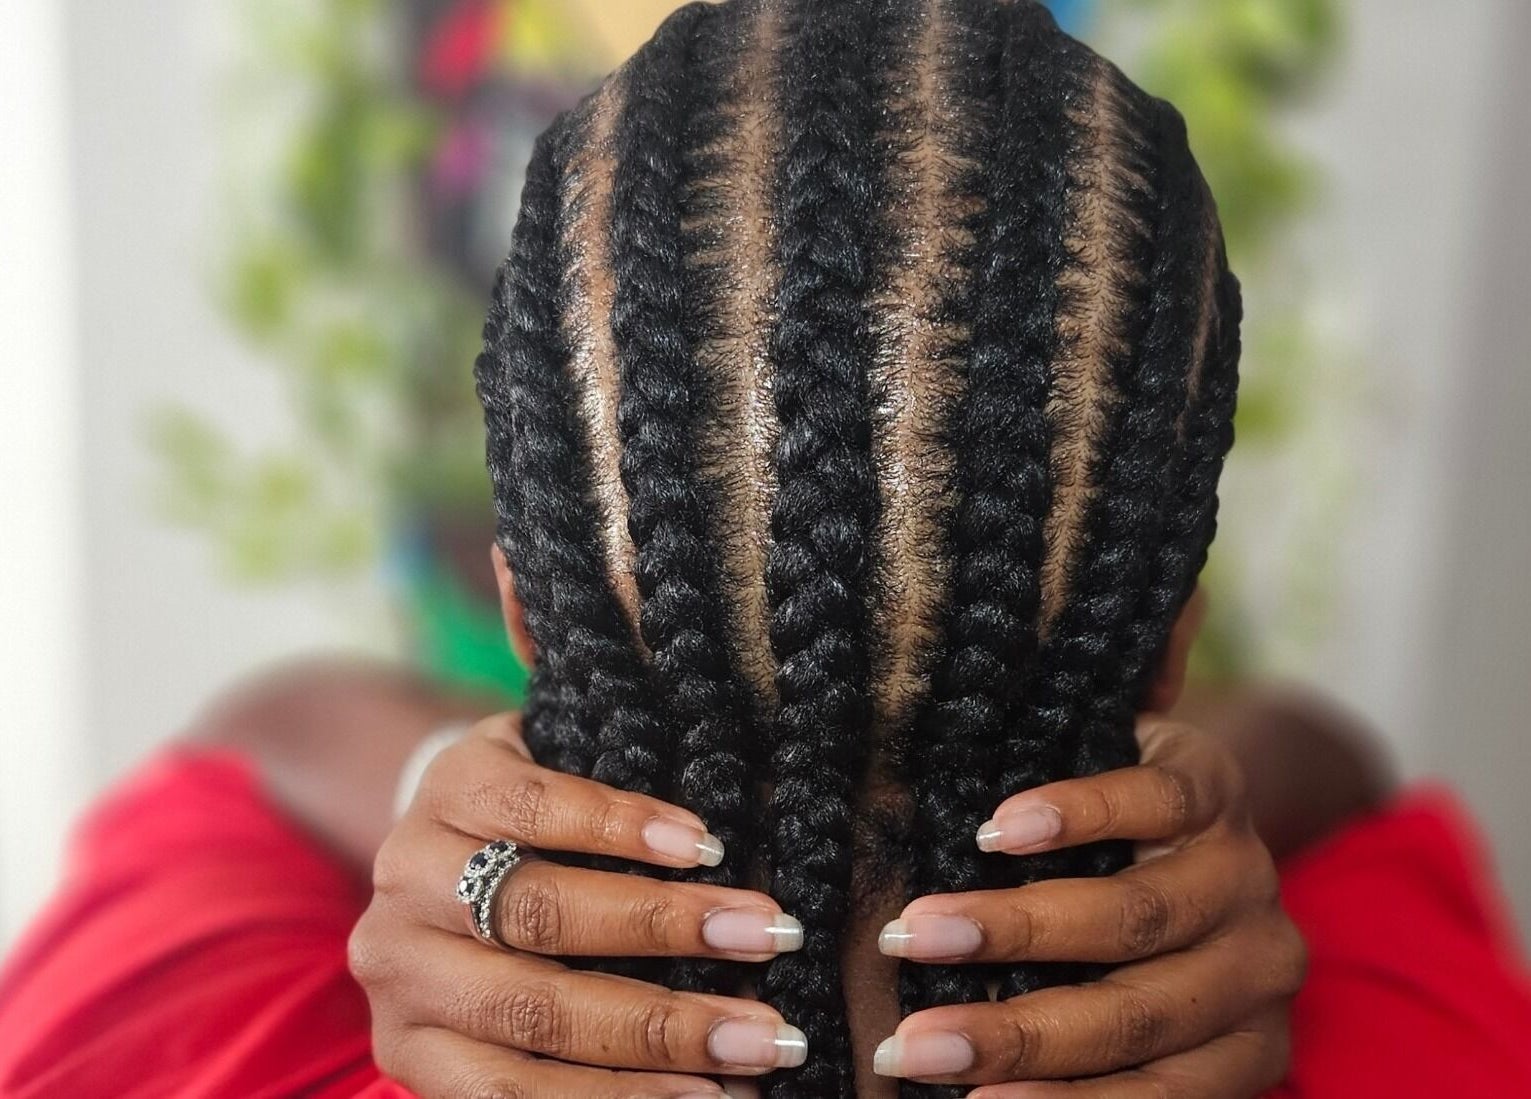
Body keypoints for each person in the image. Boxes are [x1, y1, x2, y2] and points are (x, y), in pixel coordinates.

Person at [2, 1, 1530, 1097]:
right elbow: (1339, 762)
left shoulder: (168, 1037)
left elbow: (255, 741)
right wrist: (1240, 783)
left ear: (528, 614)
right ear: (1176, 629)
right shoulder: (1389, 1011)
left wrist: (431, 798)